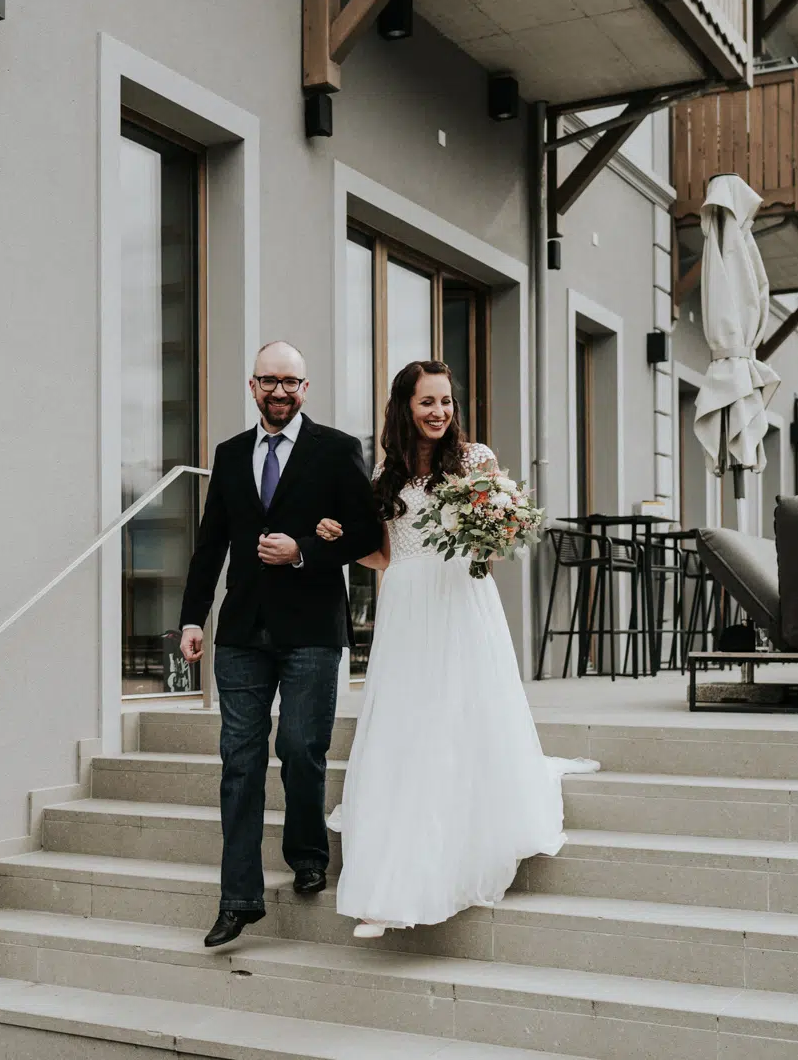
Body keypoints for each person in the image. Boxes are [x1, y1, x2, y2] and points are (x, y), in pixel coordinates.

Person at [317, 360, 597, 939]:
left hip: (460, 600)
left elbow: (491, 551)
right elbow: (385, 555)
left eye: (445, 401)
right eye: (427, 402)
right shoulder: (386, 474)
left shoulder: (476, 461)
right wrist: (342, 542)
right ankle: (389, 885)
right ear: (405, 407)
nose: (439, 412)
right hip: (406, 604)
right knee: (406, 727)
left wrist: (496, 531)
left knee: (456, 717)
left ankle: (450, 854)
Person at [178, 341, 383, 948]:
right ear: (253, 386)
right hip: (241, 631)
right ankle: (238, 899)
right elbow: (210, 545)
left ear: (305, 388)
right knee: (240, 762)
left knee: (300, 746)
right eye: (269, 380)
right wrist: (192, 619)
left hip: (312, 628)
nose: (279, 391)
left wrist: (304, 551)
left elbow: (368, 534)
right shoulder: (229, 454)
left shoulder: (337, 449)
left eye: (290, 381)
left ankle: (308, 853)